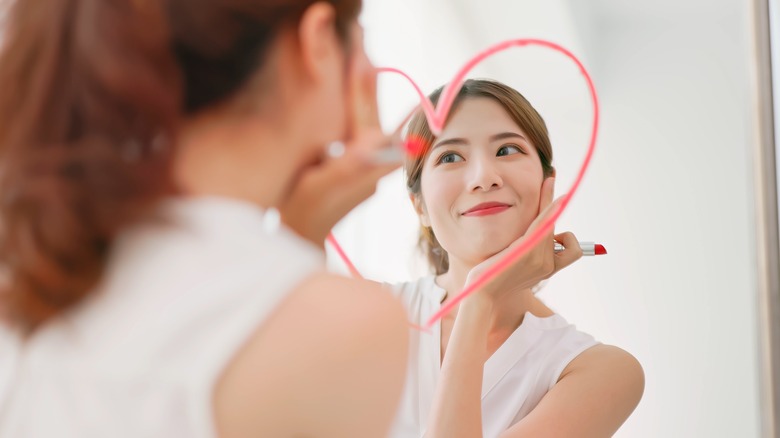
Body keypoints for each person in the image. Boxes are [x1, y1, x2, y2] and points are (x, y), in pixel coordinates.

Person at [0, 0, 409, 436]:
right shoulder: (346, 326)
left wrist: (300, 236)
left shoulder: (40, 252)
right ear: (321, 40)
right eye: (361, 36)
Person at [389, 79, 644, 437]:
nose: (484, 178)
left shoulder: (601, 371)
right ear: (420, 207)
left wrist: (478, 298)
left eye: (507, 150)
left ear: (547, 184)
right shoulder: (366, 312)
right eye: (449, 157)